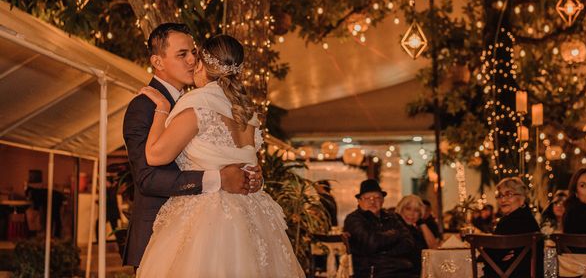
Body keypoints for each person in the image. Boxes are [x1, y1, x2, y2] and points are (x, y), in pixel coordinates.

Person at [136, 34, 303, 277]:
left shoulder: (198, 102)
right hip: (253, 215)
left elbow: (154, 156)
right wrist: (257, 178)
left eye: (195, 57)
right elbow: (247, 164)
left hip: (206, 219)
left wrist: (161, 110)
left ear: (203, 65)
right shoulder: (247, 111)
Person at [122, 24, 262, 269]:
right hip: (160, 237)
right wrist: (219, 178)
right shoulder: (143, 106)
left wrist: (249, 176)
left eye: (194, 52)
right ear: (157, 61)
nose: (191, 60)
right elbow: (147, 178)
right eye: (181, 54)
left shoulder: (208, 102)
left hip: (217, 231)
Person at [343, 179, 420, 278]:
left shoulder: (392, 217)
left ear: (383, 200)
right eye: (367, 198)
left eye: (377, 197)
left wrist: (384, 252)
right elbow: (372, 243)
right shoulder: (354, 219)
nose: (372, 201)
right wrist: (395, 234)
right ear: (359, 201)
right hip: (372, 272)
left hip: (401, 269)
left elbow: (408, 242)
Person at [484, 177, 542, 278]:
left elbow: (486, 256)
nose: (503, 200)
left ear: (522, 198)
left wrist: (496, 256)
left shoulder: (508, 222)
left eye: (509, 194)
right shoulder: (529, 219)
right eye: (500, 195)